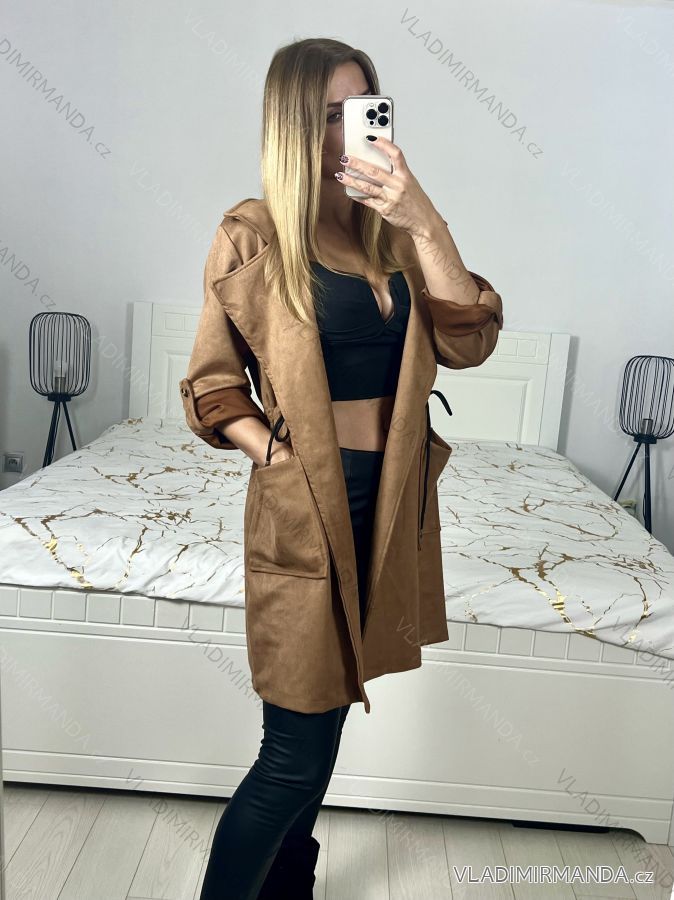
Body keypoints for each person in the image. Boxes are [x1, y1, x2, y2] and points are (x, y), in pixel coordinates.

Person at [182, 36, 504, 900]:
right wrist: (273, 453)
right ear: (294, 126)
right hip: (306, 506)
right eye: (330, 115)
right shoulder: (251, 236)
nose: (351, 130)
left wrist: (423, 218)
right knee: (290, 756)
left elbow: (470, 339)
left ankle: (291, 887)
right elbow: (212, 384)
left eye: (363, 109)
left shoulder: (393, 237)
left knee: (324, 734)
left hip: (390, 503)